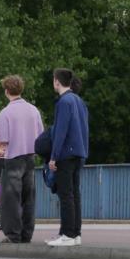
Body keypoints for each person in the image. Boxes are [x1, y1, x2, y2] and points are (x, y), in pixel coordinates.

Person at [0, 75, 44, 244]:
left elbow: (4, 139)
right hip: (30, 158)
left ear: (6, 91)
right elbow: (40, 135)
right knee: (28, 198)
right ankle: (26, 234)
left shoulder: (5, 112)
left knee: (11, 199)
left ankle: (13, 235)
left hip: (13, 158)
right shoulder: (34, 110)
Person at [47, 69, 89, 247]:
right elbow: (84, 128)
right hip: (79, 152)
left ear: (57, 81)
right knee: (75, 195)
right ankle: (76, 233)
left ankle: (67, 234)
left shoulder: (64, 102)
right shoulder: (79, 101)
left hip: (66, 154)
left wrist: (54, 156)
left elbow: (60, 131)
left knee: (66, 195)